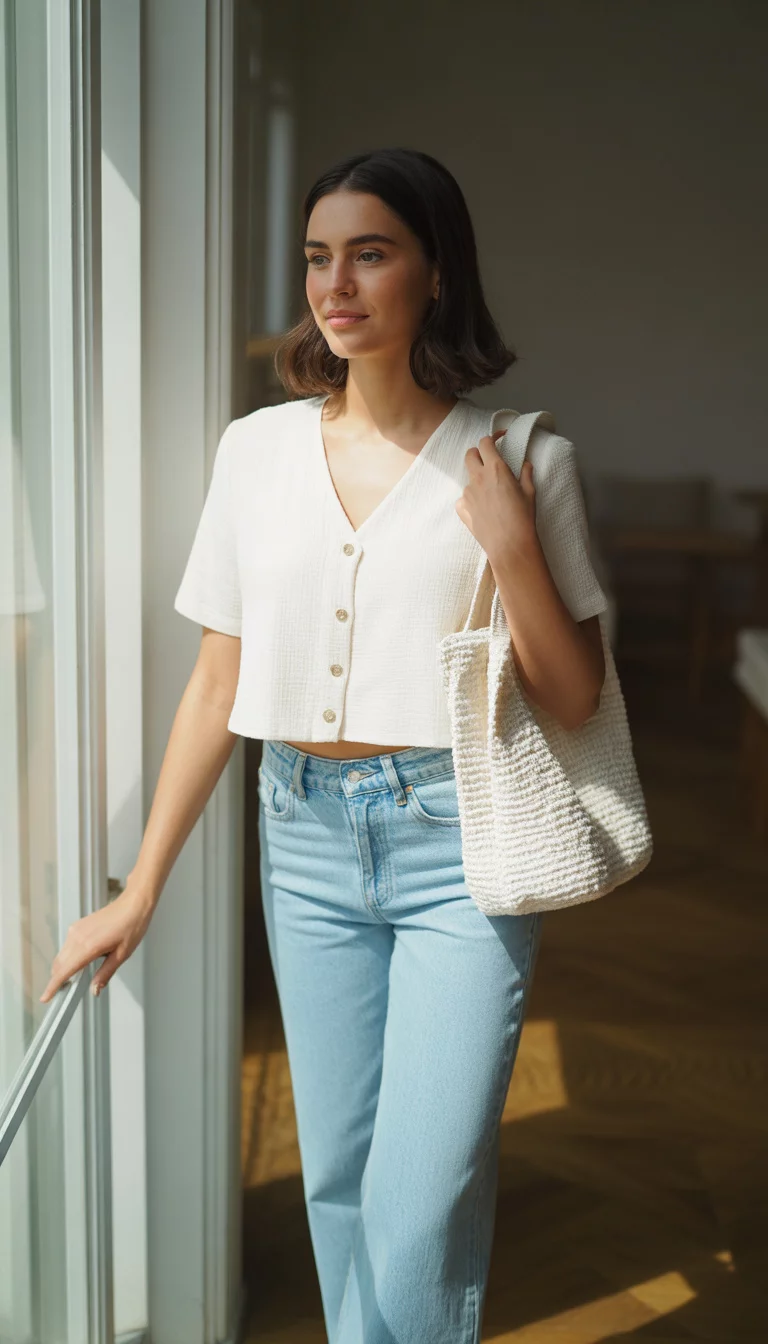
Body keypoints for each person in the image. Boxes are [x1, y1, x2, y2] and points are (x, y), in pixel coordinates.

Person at [40, 147, 608, 1343]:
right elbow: (215, 686)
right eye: (317, 257)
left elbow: (573, 696)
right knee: (340, 1178)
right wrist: (138, 888)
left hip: (461, 844)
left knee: (419, 1196)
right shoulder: (255, 451)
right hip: (298, 837)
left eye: (371, 252)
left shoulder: (525, 461)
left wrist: (508, 548)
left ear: (437, 274)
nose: (335, 284)